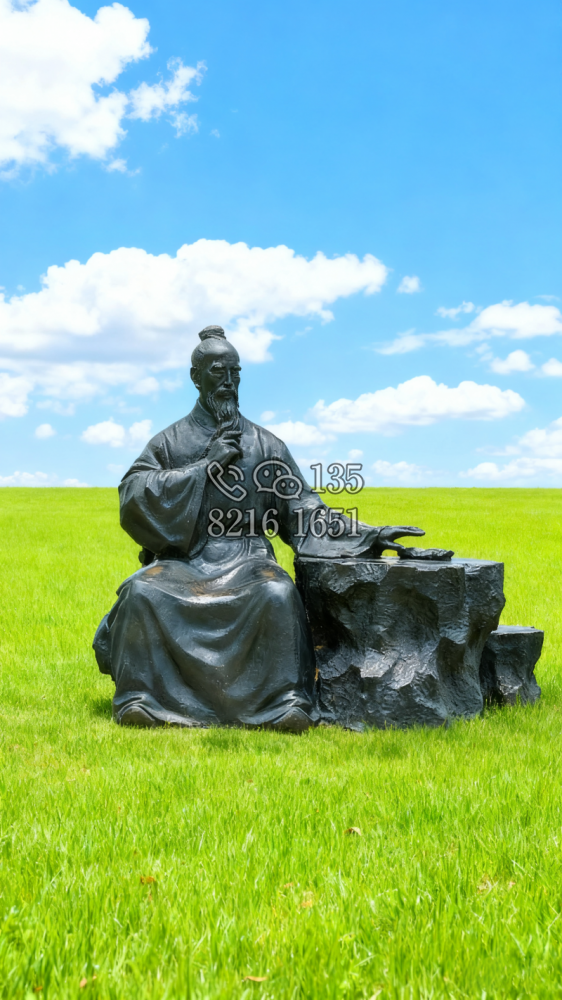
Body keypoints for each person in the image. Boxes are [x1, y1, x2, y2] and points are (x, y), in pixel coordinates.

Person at [93, 325, 426, 732]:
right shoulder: (169, 443)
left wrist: (370, 535)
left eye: (235, 372)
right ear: (196, 377)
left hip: (248, 559)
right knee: (142, 593)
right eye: (218, 371)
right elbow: (134, 494)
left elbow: (303, 509)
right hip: (184, 560)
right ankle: (142, 699)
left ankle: (282, 703)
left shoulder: (266, 446)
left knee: (277, 593)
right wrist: (205, 468)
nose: (228, 381)